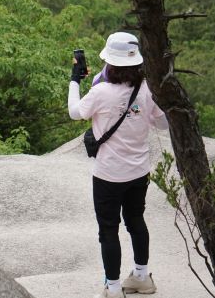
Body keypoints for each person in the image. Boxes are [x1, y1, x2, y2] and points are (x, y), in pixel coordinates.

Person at [67, 32, 168, 298]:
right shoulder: (146, 89)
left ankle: (112, 288)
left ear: (109, 62)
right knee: (136, 220)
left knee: (109, 230)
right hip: (139, 171)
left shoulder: (100, 92)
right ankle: (142, 277)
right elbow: (163, 122)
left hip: (109, 174)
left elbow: (75, 112)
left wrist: (74, 81)